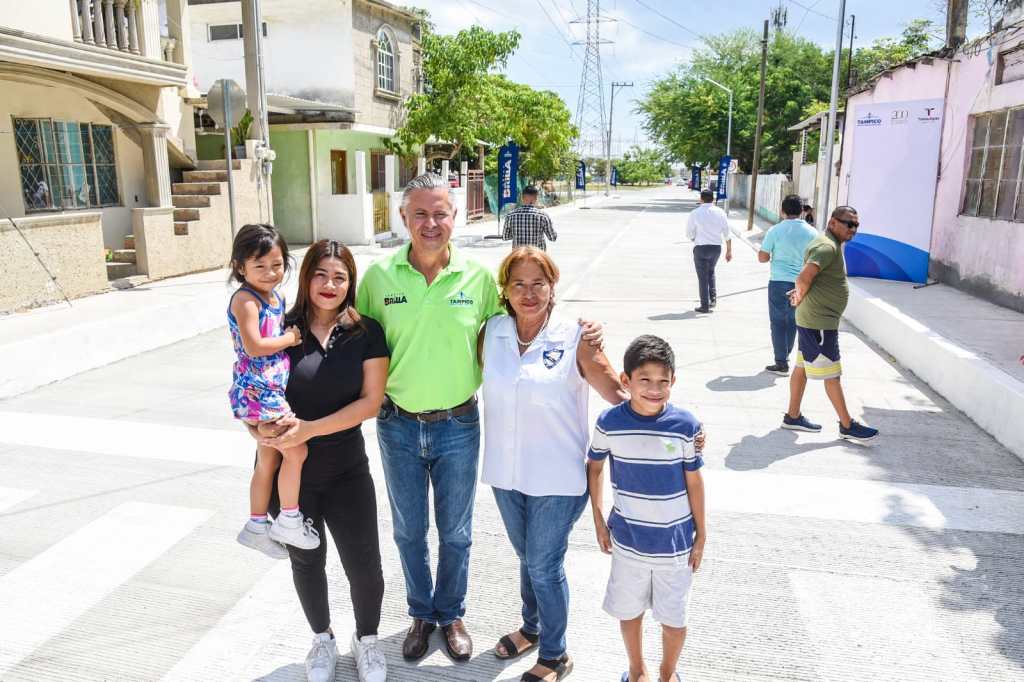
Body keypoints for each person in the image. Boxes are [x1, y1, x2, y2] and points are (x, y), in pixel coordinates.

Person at [356, 174, 602, 663]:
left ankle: (451, 615)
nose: (431, 223)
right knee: (408, 530)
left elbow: (527, 313)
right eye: (420, 214)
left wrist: (583, 327)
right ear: (404, 218)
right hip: (397, 423)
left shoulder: (478, 278)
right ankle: (420, 614)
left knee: (456, 531)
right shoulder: (378, 279)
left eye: (440, 213)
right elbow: (354, 340)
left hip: (458, 425)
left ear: (455, 217)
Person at [481, 247, 628, 682]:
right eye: (518, 284)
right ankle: (531, 627)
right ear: (504, 290)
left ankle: (556, 652)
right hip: (506, 473)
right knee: (528, 557)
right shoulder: (491, 331)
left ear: (553, 286)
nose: (529, 293)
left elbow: (618, 394)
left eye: (538, 283)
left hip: (559, 476)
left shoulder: (575, 336)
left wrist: (674, 425)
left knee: (544, 565)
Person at [258, 240, 390, 682]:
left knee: (364, 564)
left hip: (348, 469)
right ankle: (323, 639)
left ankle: (367, 640)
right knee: (306, 563)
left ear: (350, 283)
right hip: (292, 475)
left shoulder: (365, 331)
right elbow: (250, 386)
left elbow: (371, 403)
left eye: (340, 277)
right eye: (321, 274)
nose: (330, 285)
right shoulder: (281, 328)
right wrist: (258, 432)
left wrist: (311, 429)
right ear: (306, 277)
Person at [587, 335, 706, 682]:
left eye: (663, 381)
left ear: (673, 381)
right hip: (628, 543)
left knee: (674, 619)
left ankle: (668, 675)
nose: (654, 389)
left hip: (675, 547)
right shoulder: (610, 423)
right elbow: (594, 468)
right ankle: (637, 670)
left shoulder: (686, 426)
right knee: (630, 611)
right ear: (626, 381)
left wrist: (702, 536)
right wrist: (598, 520)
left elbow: (695, 482)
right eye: (645, 380)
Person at [228, 224, 319, 555]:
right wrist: (290, 339)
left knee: (268, 459)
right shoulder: (245, 300)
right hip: (259, 391)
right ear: (240, 267)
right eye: (259, 265)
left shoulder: (275, 297)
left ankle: (256, 525)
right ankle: (288, 520)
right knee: (296, 451)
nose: (270, 273)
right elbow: (254, 346)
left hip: (269, 390)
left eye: (277, 265)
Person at [784, 206, 879, 443]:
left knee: (802, 367)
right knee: (832, 375)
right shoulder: (827, 247)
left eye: (856, 225)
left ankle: (792, 415)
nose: (853, 229)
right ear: (833, 222)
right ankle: (847, 425)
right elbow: (804, 277)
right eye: (849, 224)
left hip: (814, 321)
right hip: (818, 325)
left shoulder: (829, 244)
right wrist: (799, 295)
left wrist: (800, 296)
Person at [758, 195, 818, 376]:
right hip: (802, 282)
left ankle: (781, 361)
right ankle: (787, 354)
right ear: (802, 211)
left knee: (777, 322)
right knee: (793, 320)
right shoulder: (812, 233)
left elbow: (763, 257)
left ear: (782, 210)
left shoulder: (775, 231)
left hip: (778, 282)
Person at [685, 189, 732, 313]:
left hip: (701, 248)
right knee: (711, 271)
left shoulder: (695, 213)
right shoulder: (721, 212)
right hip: (716, 248)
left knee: (702, 277)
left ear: (701, 199)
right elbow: (727, 233)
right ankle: (713, 298)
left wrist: (694, 238)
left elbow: (689, 232)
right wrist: (729, 251)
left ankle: (704, 306)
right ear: (713, 198)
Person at [502, 185, 558, 251]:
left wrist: (517, 233)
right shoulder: (543, 216)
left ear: (522, 198)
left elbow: (505, 237)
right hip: (537, 256)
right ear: (536, 198)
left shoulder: (510, 215)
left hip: (518, 256)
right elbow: (552, 237)